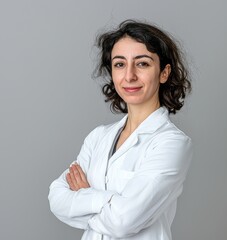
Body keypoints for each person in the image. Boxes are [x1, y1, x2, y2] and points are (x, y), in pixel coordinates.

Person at [48, 19, 193, 240]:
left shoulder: (171, 143)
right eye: (120, 64)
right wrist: (111, 202)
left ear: (164, 72)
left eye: (142, 63)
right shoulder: (98, 137)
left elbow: (123, 222)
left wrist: (84, 196)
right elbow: (57, 199)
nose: (129, 76)